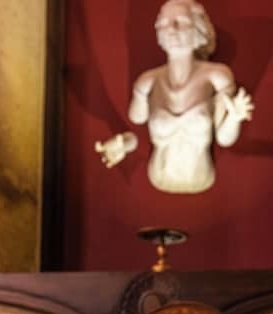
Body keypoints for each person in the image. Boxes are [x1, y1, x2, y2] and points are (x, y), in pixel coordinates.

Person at [94, 0, 254, 194]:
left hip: (202, 178)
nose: (171, 29)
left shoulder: (217, 76)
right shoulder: (147, 82)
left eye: (181, 22)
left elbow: (224, 138)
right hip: (158, 178)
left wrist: (234, 118)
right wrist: (122, 144)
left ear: (199, 30)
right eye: (163, 23)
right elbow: (135, 125)